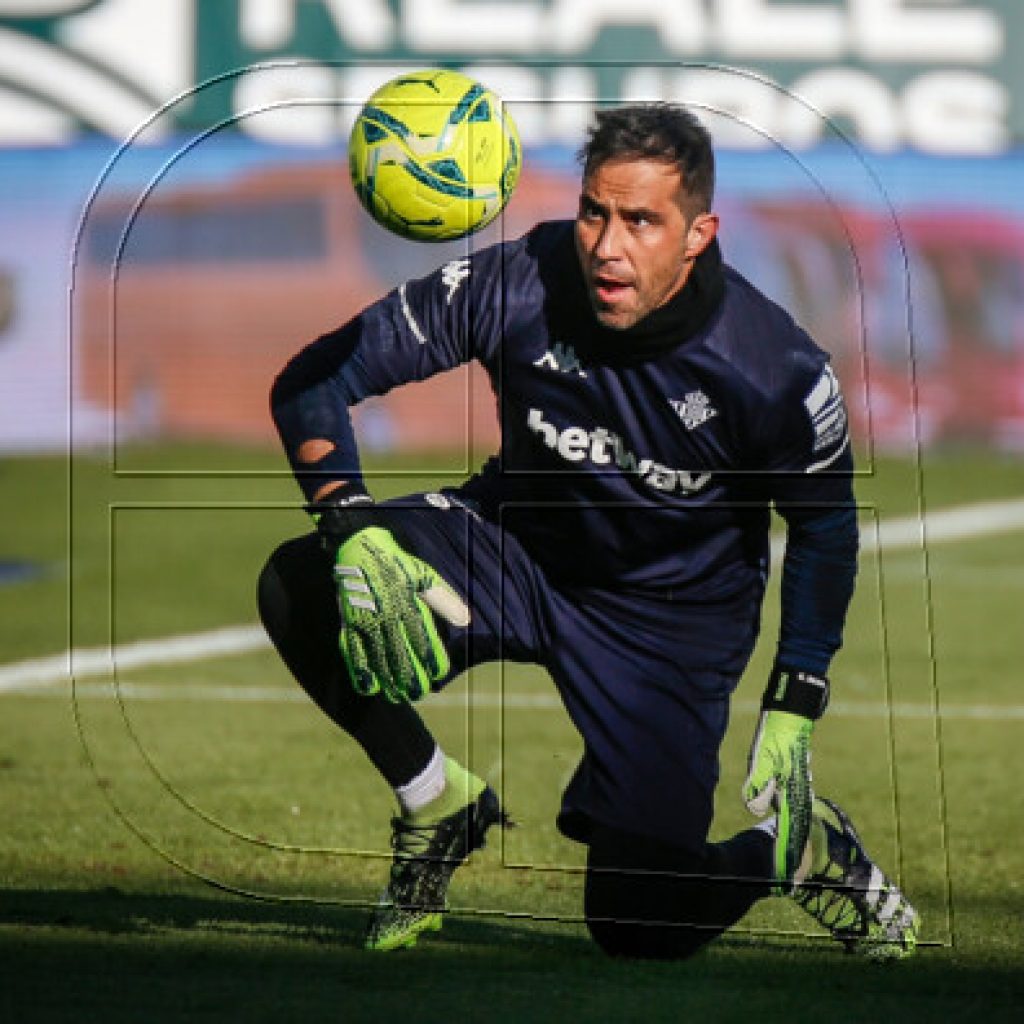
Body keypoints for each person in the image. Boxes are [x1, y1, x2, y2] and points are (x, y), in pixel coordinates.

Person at [258, 104, 919, 959]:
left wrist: (796, 700)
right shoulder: (519, 281)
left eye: (641, 220)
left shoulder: (773, 370)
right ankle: (435, 802)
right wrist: (349, 525)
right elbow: (314, 376)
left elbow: (824, 529)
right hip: (516, 551)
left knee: (640, 926)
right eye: (595, 212)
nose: (608, 244)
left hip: (670, 624)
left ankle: (796, 853)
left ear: (698, 233)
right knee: (302, 583)